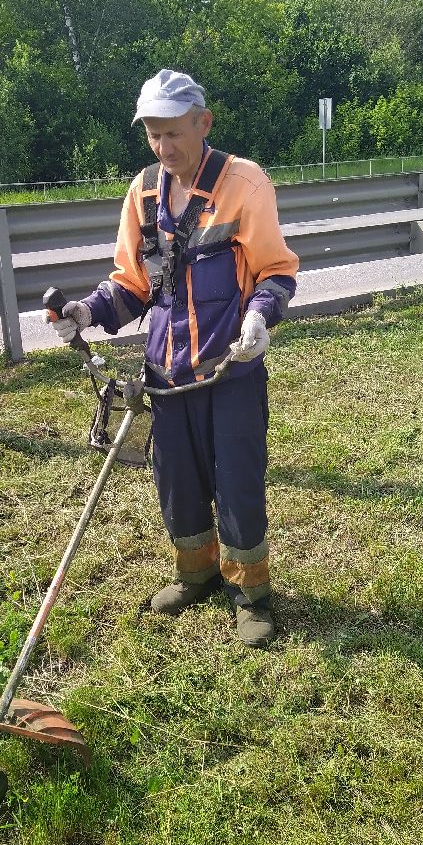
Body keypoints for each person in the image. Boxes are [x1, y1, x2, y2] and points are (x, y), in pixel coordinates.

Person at [48, 69, 299, 647]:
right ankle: (196, 573)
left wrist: (260, 316)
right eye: (153, 135)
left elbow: (276, 270)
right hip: (165, 372)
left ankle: (250, 593)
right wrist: (86, 314)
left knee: (236, 481)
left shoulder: (246, 184)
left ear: (202, 123)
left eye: (173, 133)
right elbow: (132, 285)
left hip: (229, 369)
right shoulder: (142, 193)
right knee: (176, 480)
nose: (164, 147)